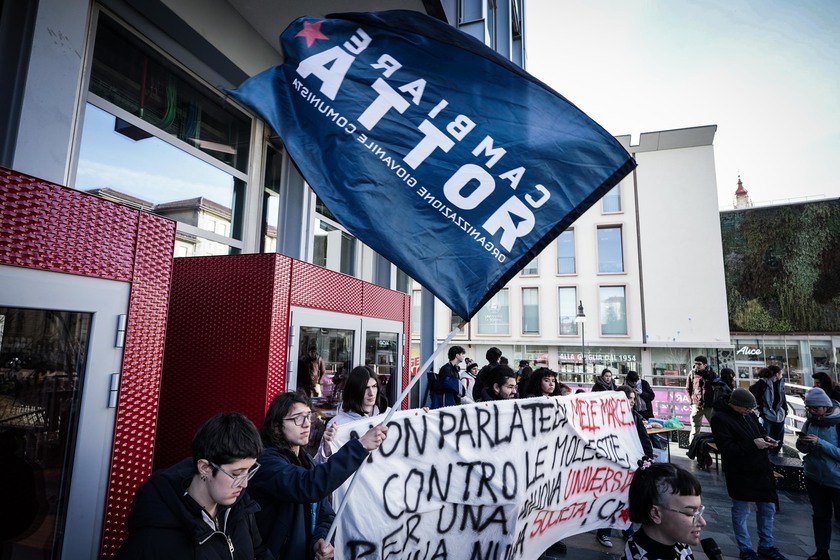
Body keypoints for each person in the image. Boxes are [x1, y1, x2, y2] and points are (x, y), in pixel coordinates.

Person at [249, 392, 388, 560]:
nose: (307, 424)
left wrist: (320, 540)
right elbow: (308, 486)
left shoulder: (307, 461)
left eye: (309, 416)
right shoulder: (267, 462)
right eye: (297, 418)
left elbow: (326, 514)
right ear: (277, 425)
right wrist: (360, 446)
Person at [115, 412, 269, 559]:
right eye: (236, 474)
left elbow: (259, 552)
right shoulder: (154, 534)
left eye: (249, 471)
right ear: (205, 468)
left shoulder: (240, 507)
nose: (245, 483)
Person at [710, 388, 787, 560]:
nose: (750, 411)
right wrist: (753, 444)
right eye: (747, 408)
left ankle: (767, 545)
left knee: (768, 508)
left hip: (761, 469)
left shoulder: (749, 415)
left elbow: (760, 430)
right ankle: (746, 549)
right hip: (740, 472)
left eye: (751, 409)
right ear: (735, 405)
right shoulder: (720, 419)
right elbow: (727, 449)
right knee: (741, 511)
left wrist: (767, 439)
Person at [622, 462, 706, 560]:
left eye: (699, 510)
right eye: (690, 513)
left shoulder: (676, 542)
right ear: (655, 514)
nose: (702, 522)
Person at [795, 387, 840, 560]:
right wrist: (803, 443)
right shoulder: (811, 421)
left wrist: (820, 442)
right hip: (814, 476)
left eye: (815, 408)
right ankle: (822, 551)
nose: (812, 411)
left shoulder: (838, 423)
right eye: (809, 408)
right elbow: (802, 449)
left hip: (836, 479)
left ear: (826, 406)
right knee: (820, 515)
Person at [314, 366, 381, 464]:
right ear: (355, 390)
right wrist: (327, 450)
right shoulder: (337, 424)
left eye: (374, 386)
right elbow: (320, 467)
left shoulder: (388, 416)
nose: (371, 393)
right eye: (365, 388)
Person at [749, 366, 787, 456]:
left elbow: (782, 399)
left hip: (779, 415)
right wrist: (761, 410)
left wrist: (785, 411)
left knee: (778, 440)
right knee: (766, 438)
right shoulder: (762, 383)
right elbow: (754, 395)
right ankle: (767, 458)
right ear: (776, 374)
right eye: (781, 373)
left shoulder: (779, 384)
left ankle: (774, 458)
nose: (782, 375)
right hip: (767, 415)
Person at [686, 356, 716, 435]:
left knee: (715, 426)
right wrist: (691, 401)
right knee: (695, 428)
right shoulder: (692, 374)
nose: (697, 366)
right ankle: (693, 445)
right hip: (697, 405)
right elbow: (688, 389)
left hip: (709, 406)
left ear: (705, 365)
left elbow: (717, 388)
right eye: (695, 364)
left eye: (699, 364)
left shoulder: (712, 374)